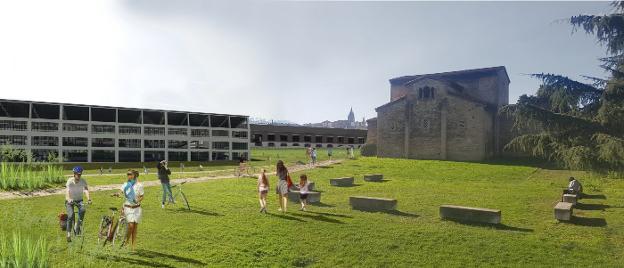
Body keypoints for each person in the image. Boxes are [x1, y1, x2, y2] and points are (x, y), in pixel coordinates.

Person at [117, 170, 144, 250]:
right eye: (127, 174)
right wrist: (118, 194)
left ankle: (133, 246)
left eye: (130, 174)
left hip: (137, 209)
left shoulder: (139, 185)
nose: (128, 175)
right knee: (131, 226)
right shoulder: (126, 184)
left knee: (135, 228)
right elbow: (120, 191)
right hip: (128, 207)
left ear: (134, 175)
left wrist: (138, 200)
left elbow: (142, 196)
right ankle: (126, 242)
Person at [65, 166, 91, 242]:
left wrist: (89, 199)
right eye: (78, 174)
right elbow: (67, 191)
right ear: (74, 174)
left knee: (83, 210)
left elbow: (86, 190)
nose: (79, 176)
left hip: (79, 200)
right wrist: (69, 199)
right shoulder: (70, 181)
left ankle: (78, 224)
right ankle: (69, 233)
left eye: (80, 174)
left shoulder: (83, 181)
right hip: (70, 201)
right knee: (70, 215)